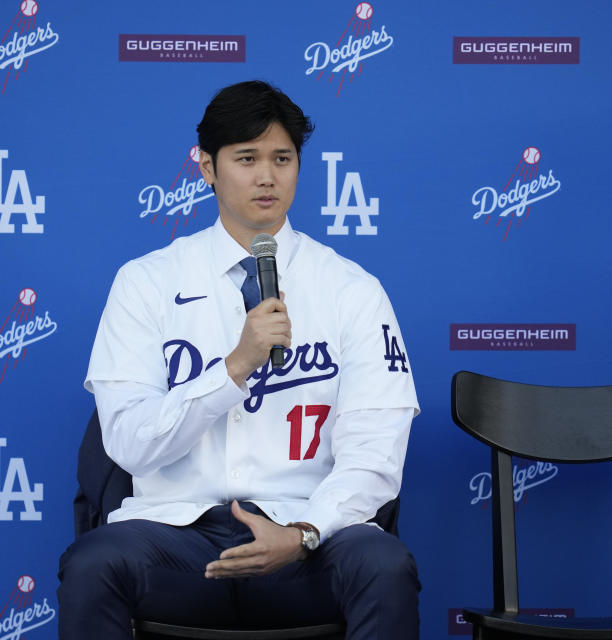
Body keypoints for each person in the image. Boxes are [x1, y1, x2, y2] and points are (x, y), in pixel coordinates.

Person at [58, 80, 421, 639]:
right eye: (246, 158)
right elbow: (128, 443)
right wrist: (235, 367)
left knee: (383, 565)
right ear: (206, 167)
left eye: (282, 158)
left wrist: (303, 532)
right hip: (174, 532)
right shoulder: (146, 282)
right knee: (94, 563)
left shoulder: (353, 289)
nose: (267, 176)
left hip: (307, 530)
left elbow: (375, 456)